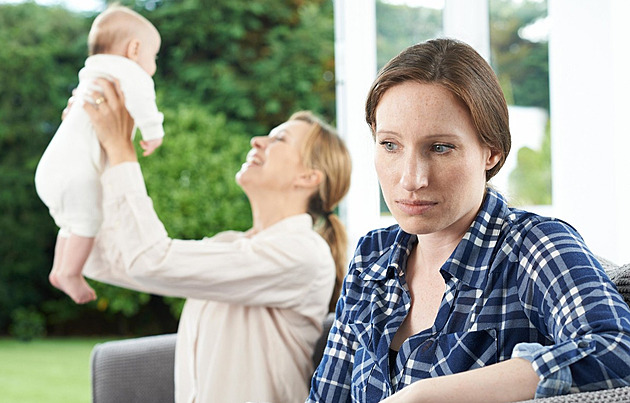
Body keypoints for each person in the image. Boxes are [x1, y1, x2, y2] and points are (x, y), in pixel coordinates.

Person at [308, 38, 630, 402]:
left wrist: (427, 396)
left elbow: (618, 349)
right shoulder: (372, 256)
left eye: (440, 147)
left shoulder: (534, 245)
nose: (411, 179)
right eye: (390, 145)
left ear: (491, 152)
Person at [80, 76, 352, 402]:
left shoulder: (305, 254)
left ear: (308, 177)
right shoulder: (227, 244)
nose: (256, 141)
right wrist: (92, 146)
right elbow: (104, 259)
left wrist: (121, 149)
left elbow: (149, 260)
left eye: (278, 139)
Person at [34, 5, 164, 304]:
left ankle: (60, 270)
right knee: (87, 221)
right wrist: (154, 131)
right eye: (153, 56)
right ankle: (69, 272)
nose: (152, 65)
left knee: (72, 223)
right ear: (134, 49)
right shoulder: (132, 73)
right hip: (77, 175)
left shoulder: (91, 73)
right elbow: (144, 102)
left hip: (51, 168)